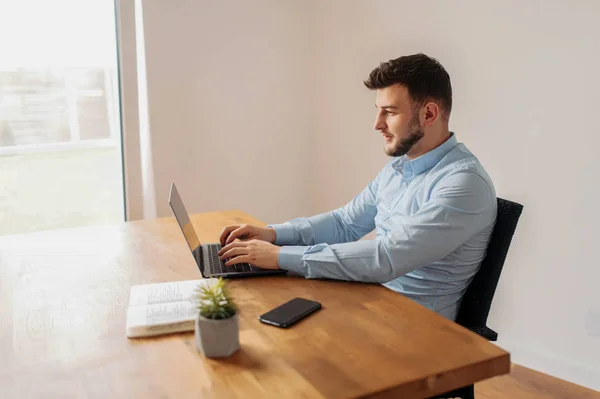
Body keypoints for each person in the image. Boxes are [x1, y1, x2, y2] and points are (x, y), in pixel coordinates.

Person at [218, 53, 497, 320]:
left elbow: (387, 257)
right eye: (378, 112)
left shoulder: (464, 184)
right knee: (253, 306)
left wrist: (280, 257)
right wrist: (273, 235)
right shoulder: (399, 168)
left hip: (416, 324)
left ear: (429, 114)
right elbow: (345, 224)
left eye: (389, 112)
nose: (377, 124)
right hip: (370, 299)